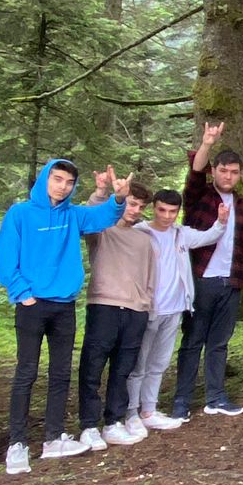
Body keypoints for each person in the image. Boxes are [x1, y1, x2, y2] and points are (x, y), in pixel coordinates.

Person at [0, 156, 123, 474]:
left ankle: (53, 438)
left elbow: (103, 216)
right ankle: (17, 444)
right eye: (57, 179)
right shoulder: (21, 214)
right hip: (32, 305)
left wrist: (118, 198)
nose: (62, 187)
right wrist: (22, 294)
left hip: (64, 304)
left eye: (68, 182)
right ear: (45, 179)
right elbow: (6, 257)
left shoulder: (73, 215)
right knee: (26, 372)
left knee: (61, 373)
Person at [127, 189, 225, 429]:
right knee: (139, 363)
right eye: (162, 210)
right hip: (146, 308)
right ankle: (130, 413)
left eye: (172, 211)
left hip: (174, 308)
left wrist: (221, 222)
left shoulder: (181, 234)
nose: (167, 216)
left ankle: (148, 410)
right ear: (154, 208)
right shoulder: (140, 233)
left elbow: (208, 237)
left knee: (159, 363)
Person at [173, 125, 243, 417]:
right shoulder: (200, 197)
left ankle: (216, 397)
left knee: (219, 343)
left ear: (240, 174)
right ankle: (182, 401)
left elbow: (241, 245)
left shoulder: (241, 205)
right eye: (223, 171)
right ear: (214, 171)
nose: (228, 176)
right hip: (201, 280)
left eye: (233, 172)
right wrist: (207, 143)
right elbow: (194, 174)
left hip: (231, 282)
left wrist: (240, 281)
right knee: (193, 341)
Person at [77, 179, 156, 449]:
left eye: (141, 206)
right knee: (93, 367)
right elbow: (91, 213)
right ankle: (89, 425)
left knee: (122, 370)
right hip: (105, 306)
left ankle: (114, 422)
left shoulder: (144, 239)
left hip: (136, 310)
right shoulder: (102, 231)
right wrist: (102, 192)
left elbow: (149, 277)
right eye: (132, 204)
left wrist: (146, 304)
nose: (136, 210)